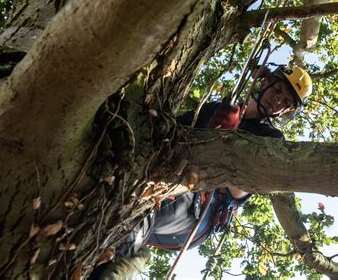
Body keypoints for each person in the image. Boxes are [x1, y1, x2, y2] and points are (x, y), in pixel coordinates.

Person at [93, 65, 312, 279]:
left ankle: (115, 270)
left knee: (142, 205)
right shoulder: (217, 109)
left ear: (288, 111)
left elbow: (239, 192)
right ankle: (108, 261)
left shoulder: (271, 138)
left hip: (200, 210)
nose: (277, 101)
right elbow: (168, 133)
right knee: (117, 204)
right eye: (278, 91)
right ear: (265, 82)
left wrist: (227, 143)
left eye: (286, 102)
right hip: (170, 183)